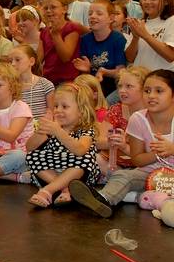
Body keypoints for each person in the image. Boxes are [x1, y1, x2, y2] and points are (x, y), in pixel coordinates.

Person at [71, 69, 174, 218]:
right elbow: (137, 159)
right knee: (123, 175)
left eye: (159, 91)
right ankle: (103, 199)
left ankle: (139, 197)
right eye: (147, 90)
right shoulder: (138, 119)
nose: (151, 96)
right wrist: (156, 153)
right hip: (149, 172)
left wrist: (171, 149)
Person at [25, 83, 99, 208]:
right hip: (52, 173)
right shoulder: (51, 128)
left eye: (64, 106)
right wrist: (40, 131)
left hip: (77, 176)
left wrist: (58, 132)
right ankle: (65, 189)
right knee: (32, 156)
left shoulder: (86, 130)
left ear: (81, 111)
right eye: (56, 106)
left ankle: (47, 191)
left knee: (84, 158)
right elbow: (29, 147)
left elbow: (80, 150)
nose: (58, 110)